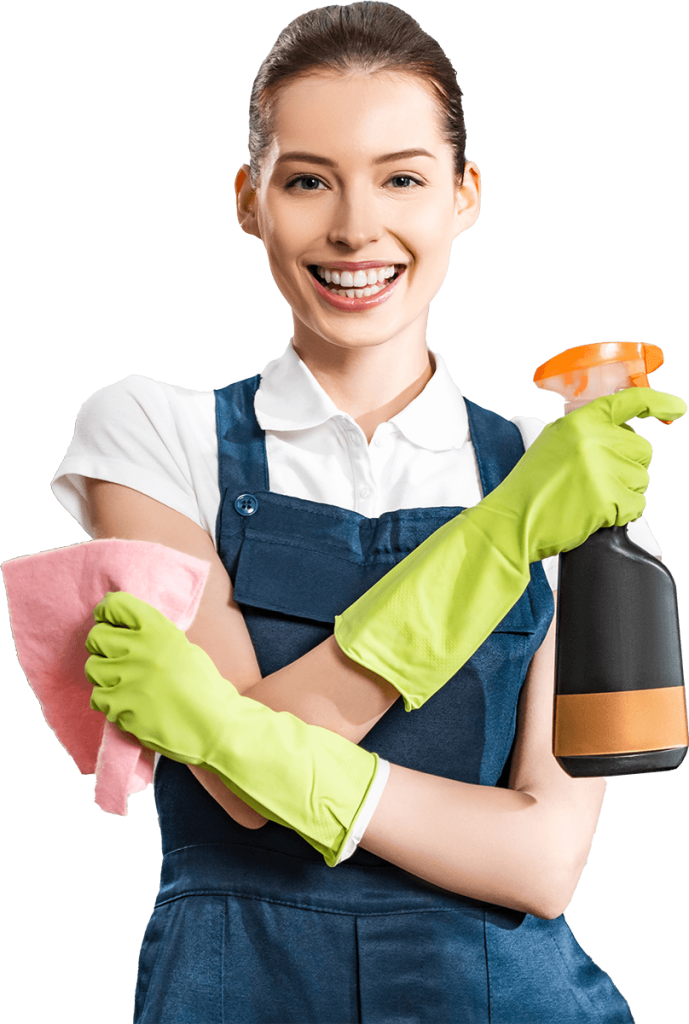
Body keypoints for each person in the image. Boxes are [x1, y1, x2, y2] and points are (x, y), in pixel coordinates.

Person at [49, 4, 685, 1022]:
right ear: (249, 199)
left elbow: (541, 859)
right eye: (307, 180)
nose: (354, 228)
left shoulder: (564, 472)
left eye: (400, 177)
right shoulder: (150, 436)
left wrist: (232, 727)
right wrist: (498, 536)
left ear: (462, 196)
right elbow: (239, 798)